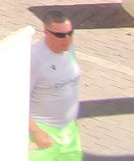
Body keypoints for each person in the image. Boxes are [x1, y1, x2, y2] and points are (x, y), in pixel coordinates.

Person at [28, 10, 82, 158]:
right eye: (60, 35)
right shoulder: (35, 59)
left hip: (69, 132)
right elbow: (19, 99)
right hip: (44, 133)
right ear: (46, 32)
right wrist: (36, 132)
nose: (66, 39)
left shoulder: (69, 48)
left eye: (70, 33)